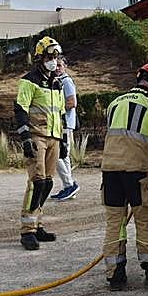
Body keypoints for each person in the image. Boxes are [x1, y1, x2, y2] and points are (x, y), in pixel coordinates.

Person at [100, 62, 148, 291]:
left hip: (110, 170)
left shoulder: (115, 103)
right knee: (145, 219)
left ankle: (115, 276)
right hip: (139, 172)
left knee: (115, 223)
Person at [14, 36, 67, 251]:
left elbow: (61, 113)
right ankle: (27, 231)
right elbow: (20, 110)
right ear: (40, 58)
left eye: (56, 56)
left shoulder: (57, 83)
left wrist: (63, 139)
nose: (54, 60)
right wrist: (26, 138)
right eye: (50, 56)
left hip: (53, 137)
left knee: (48, 183)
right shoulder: (29, 81)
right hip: (37, 136)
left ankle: (37, 225)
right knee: (37, 183)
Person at [52, 57, 80, 201]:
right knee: (64, 155)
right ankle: (68, 187)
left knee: (57, 154)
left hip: (64, 123)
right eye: (55, 65)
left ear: (65, 66)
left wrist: (56, 111)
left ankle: (69, 185)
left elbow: (72, 102)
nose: (57, 68)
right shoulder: (59, 81)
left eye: (60, 65)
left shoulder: (66, 81)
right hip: (63, 123)